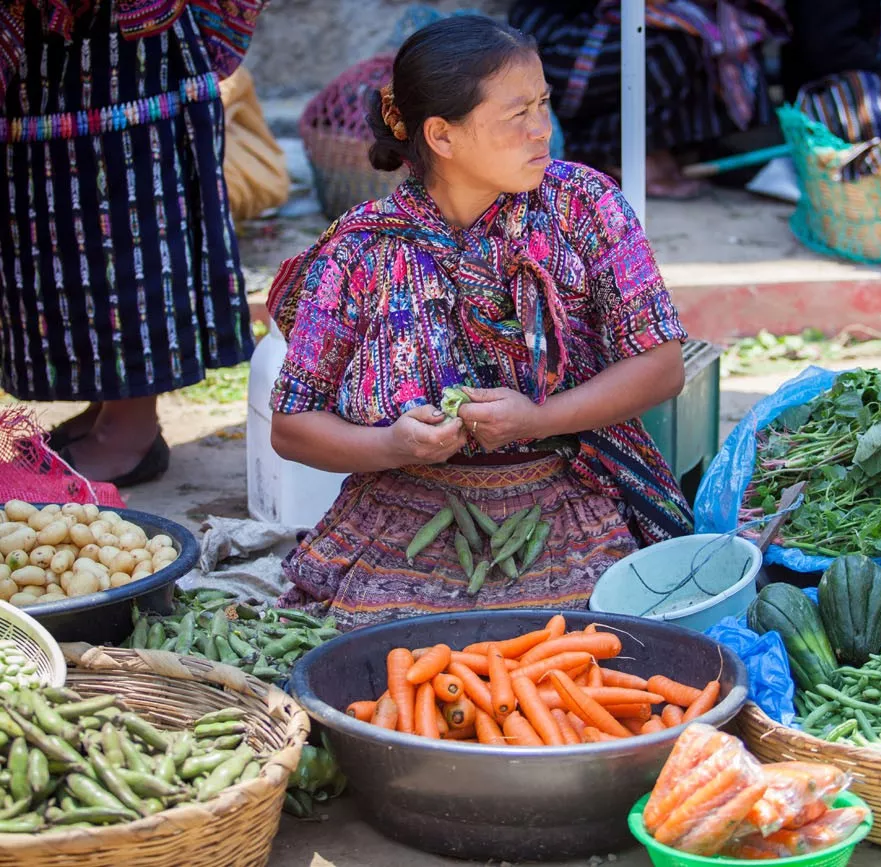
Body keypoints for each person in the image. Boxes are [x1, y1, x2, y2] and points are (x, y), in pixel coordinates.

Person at [267, 16, 693, 630]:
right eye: (517, 113)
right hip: (405, 511)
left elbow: (662, 366)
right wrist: (389, 445)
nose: (542, 129)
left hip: (568, 494)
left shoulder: (585, 206)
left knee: (586, 646)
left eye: (543, 104)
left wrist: (540, 417)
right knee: (390, 659)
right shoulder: (361, 252)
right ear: (441, 135)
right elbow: (292, 426)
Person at [0, 1, 267, 486]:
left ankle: (129, 430)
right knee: (56, 214)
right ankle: (108, 404)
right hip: (53, 52)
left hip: (125, 49)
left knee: (119, 216)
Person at [508, 0, 786, 199]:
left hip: (638, 23)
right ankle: (604, 155)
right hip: (556, 36)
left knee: (717, 41)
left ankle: (653, 150)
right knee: (670, 47)